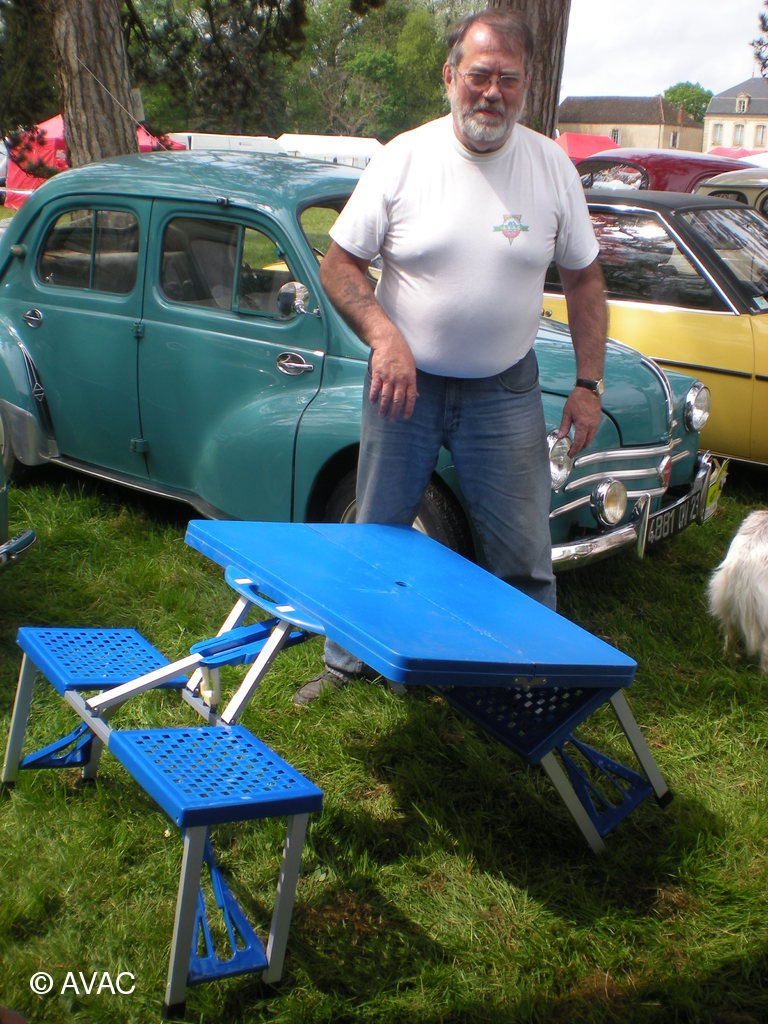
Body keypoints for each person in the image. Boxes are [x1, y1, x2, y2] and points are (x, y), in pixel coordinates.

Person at [293, 8, 607, 706]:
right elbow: (339, 264)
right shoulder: (403, 158)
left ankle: (530, 677)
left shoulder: (552, 168)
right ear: (449, 76)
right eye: (479, 75)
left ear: (527, 86)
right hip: (403, 390)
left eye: (508, 79)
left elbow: (585, 279)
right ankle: (347, 665)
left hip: (504, 390)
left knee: (523, 553)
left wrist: (589, 383)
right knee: (376, 533)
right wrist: (385, 337)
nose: (492, 92)